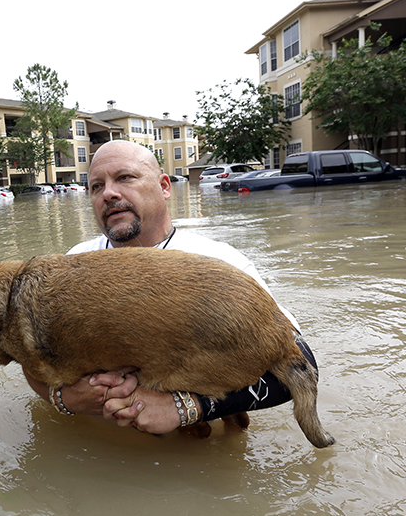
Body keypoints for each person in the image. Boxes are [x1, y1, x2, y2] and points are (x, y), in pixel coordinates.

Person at [22, 140, 319, 434]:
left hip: (195, 461)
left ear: (165, 187)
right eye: (96, 187)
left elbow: (301, 365)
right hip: (98, 452)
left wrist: (186, 407)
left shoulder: (219, 263)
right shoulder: (73, 264)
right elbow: (29, 354)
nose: (108, 193)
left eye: (125, 178)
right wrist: (66, 398)